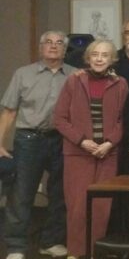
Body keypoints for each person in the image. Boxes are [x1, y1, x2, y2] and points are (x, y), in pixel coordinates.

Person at [0, 31, 75, 259]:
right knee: (21, 194)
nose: (53, 46)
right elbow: (10, 110)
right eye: (48, 42)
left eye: (59, 43)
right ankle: (16, 246)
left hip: (62, 140)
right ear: (41, 47)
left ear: (65, 49)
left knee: (60, 193)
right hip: (29, 140)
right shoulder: (23, 74)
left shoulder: (75, 75)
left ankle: (51, 242)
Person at [53, 40, 128, 259]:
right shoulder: (74, 81)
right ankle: (75, 253)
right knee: (77, 206)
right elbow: (59, 119)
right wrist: (82, 141)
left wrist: (109, 143)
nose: (99, 59)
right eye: (95, 54)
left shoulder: (121, 83)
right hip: (78, 153)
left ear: (112, 59)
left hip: (107, 154)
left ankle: (95, 252)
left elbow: (123, 120)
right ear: (88, 57)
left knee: (101, 208)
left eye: (104, 55)